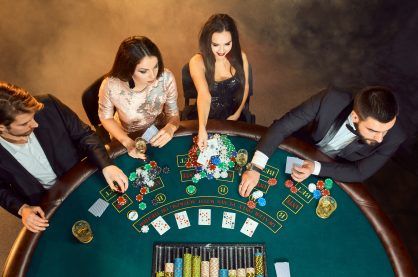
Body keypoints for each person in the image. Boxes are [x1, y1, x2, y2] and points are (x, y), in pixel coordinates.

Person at [0, 82, 128, 232]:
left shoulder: (48, 105)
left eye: (33, 117)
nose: (35, 124)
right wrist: (22, 209)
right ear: (1, 128)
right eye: (25, 123)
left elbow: (85, 135)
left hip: (82, 178)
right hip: (47, 203)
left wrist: (107, 165)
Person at [239, 86, 406, 197]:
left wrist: (316, 167)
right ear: (355, 116)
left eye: (386, 130)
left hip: (333, 169)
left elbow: (359, 172)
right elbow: (283, 127)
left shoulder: (395, 137)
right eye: (374, 130)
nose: (380, 139)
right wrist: (255, 167)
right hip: (301, 145)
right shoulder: (331, 100)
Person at [99, 36, 180, 159]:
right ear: (128, 69)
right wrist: (127, 142)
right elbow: (106, 118)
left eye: (156, 66)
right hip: (126, 134)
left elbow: (173, 113)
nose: (153, 76)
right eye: (143, 71)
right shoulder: (110, 85)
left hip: (158, 127)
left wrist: (171, 127)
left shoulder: (166, 77)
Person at [188, 14, 250, 151]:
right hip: (206, 116)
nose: (222, 50)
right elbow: (204, 95)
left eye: (227, 44)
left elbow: (245, 86)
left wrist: (238, 113)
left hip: (234, 115)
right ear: (207, 41)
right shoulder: (197, 62)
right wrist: (202, 128)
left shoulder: (241, 56)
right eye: (215, 45)